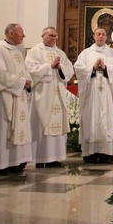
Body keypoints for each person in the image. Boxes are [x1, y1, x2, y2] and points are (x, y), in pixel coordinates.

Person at [25, 27, 74, 168]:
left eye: (55, 36)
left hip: (57, 93)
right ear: (43, 36)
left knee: (57, 123)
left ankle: (55, 157)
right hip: (43, 94)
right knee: (41, 123)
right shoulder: (35, 51)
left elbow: (69, 70)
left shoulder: (59, 52)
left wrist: (59, 68)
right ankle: (40, 157)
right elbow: (30, 69)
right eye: (51, 35)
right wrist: (49, 66)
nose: (53, 38)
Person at [74, 27, 113, 164]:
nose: (101, 36)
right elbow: (78, 68)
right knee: (91, 117)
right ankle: (90, 153)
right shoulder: (85, 54)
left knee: (107, 118)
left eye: (103, 34)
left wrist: (106, 68)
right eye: (98, 34)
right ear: (94, 36)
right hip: (91, 94)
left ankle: (106, 153)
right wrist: (93, 68)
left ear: (107, 37)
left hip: (107, 93)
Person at [0, 23, 33, 175]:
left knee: (19, 128)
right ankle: (1, 164)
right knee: (4, 129)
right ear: (11, 34)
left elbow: (25, 71)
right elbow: (0, 74)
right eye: (21, 32)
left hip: (18, 96)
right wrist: (22, 82)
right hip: (4, 97)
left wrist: (27, 81)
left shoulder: (18, 52)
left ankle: (16, 161)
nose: (24, 35)